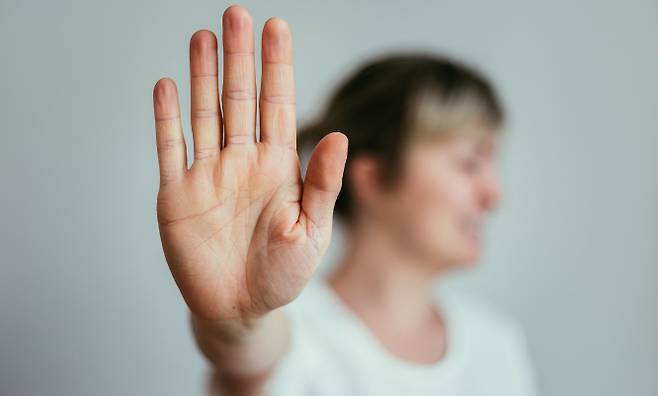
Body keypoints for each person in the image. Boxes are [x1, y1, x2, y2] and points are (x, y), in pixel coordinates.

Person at [152, 5, 538, 396]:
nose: (494, 195)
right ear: (372, 177)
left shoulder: (497, 347)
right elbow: (249, 350)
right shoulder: (295, 332)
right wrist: (240, 319)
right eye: (469, 164)